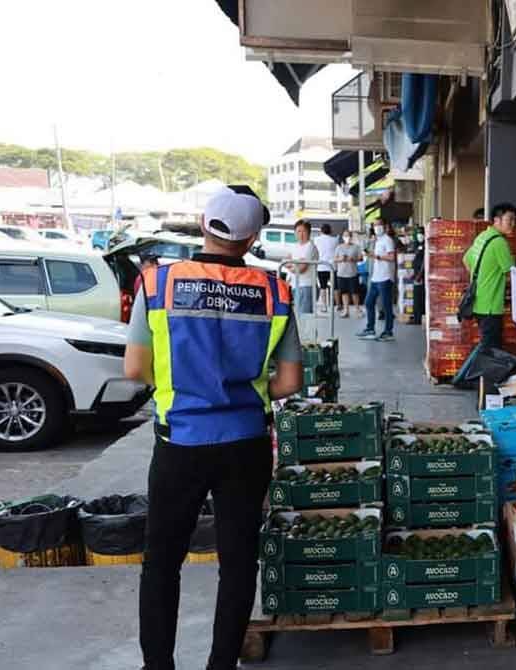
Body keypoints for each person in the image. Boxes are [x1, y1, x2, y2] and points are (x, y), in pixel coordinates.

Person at [124, 186, 303, 670]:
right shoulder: (275, 291)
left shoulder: (158, 283)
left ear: (204, 224)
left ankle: (157, 665)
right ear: (251, 239)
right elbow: (289, 380)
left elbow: (135, 368)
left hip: (180, 441)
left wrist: (188, 385)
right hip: (245, 443)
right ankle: (221, 664)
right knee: (239, 560)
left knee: (162, 561)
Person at [463, 203, 516, 350]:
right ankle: (472, 373)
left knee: (487, 346)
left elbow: (466, 260)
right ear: (497, 220)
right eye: (509, 219)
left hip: (478, 301)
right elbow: (513, 274)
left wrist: (483, 277)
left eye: (515, 220)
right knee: (490, 349)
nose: (513, 224)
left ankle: (477, 373)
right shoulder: (499, 242)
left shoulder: (483, 236)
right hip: (491, 307)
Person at [357, 219, 396, 341]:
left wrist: (377, 256)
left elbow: (391, 257)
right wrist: (371, 254)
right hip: (376, 277)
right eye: (375, 225)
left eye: (379, 225)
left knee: (386, 305)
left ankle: (388, 331)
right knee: (369, 302)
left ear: (384, 226)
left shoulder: (388, 240)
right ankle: (370, 329)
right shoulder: (377, 241)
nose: (377, 227)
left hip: (385, 277)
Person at [288, 220, 318, 314]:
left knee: (305, 318)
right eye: (298, 231)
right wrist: (296, 264)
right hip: (295, 285)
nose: (301, 234)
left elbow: (301, 268)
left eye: (303, 231)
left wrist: (293, 265)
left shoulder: (310, 246)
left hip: (306, 286)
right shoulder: (294, 246)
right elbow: (286, 262)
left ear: (309, 232)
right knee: (299, 318)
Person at [333, 229, 362, 318]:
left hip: (352, 273)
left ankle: (357, 309)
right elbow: (334, 259)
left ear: (351, 237)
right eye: (345, 236)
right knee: (344, 293)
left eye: (348, 235)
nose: (347, 237)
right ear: (342, 237)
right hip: (341, 273)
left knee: (355, 292)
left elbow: (361, 258)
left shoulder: (356, 247)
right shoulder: (339, 247)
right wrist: (341, 259)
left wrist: (353, 259)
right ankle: (346, 310)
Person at [314, 223, 338, 313]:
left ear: (321, 231)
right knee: (335, 287)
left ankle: (324, 306)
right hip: (332, 266)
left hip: (321, 266)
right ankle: (337, 305)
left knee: (323, 287)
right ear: (330, 231)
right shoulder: (335, 240)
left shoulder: (316, 240)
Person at [411, 228, 426, 325]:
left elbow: (425, 260)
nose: (419, 235)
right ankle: (417, 317)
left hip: (421, 276)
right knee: (417, 296)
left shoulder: (426, 245)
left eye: (421, 233)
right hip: (417, 274)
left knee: (419, 296)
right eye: (418, 233)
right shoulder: (418, 245)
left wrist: (420, 274)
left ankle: (418, 318)